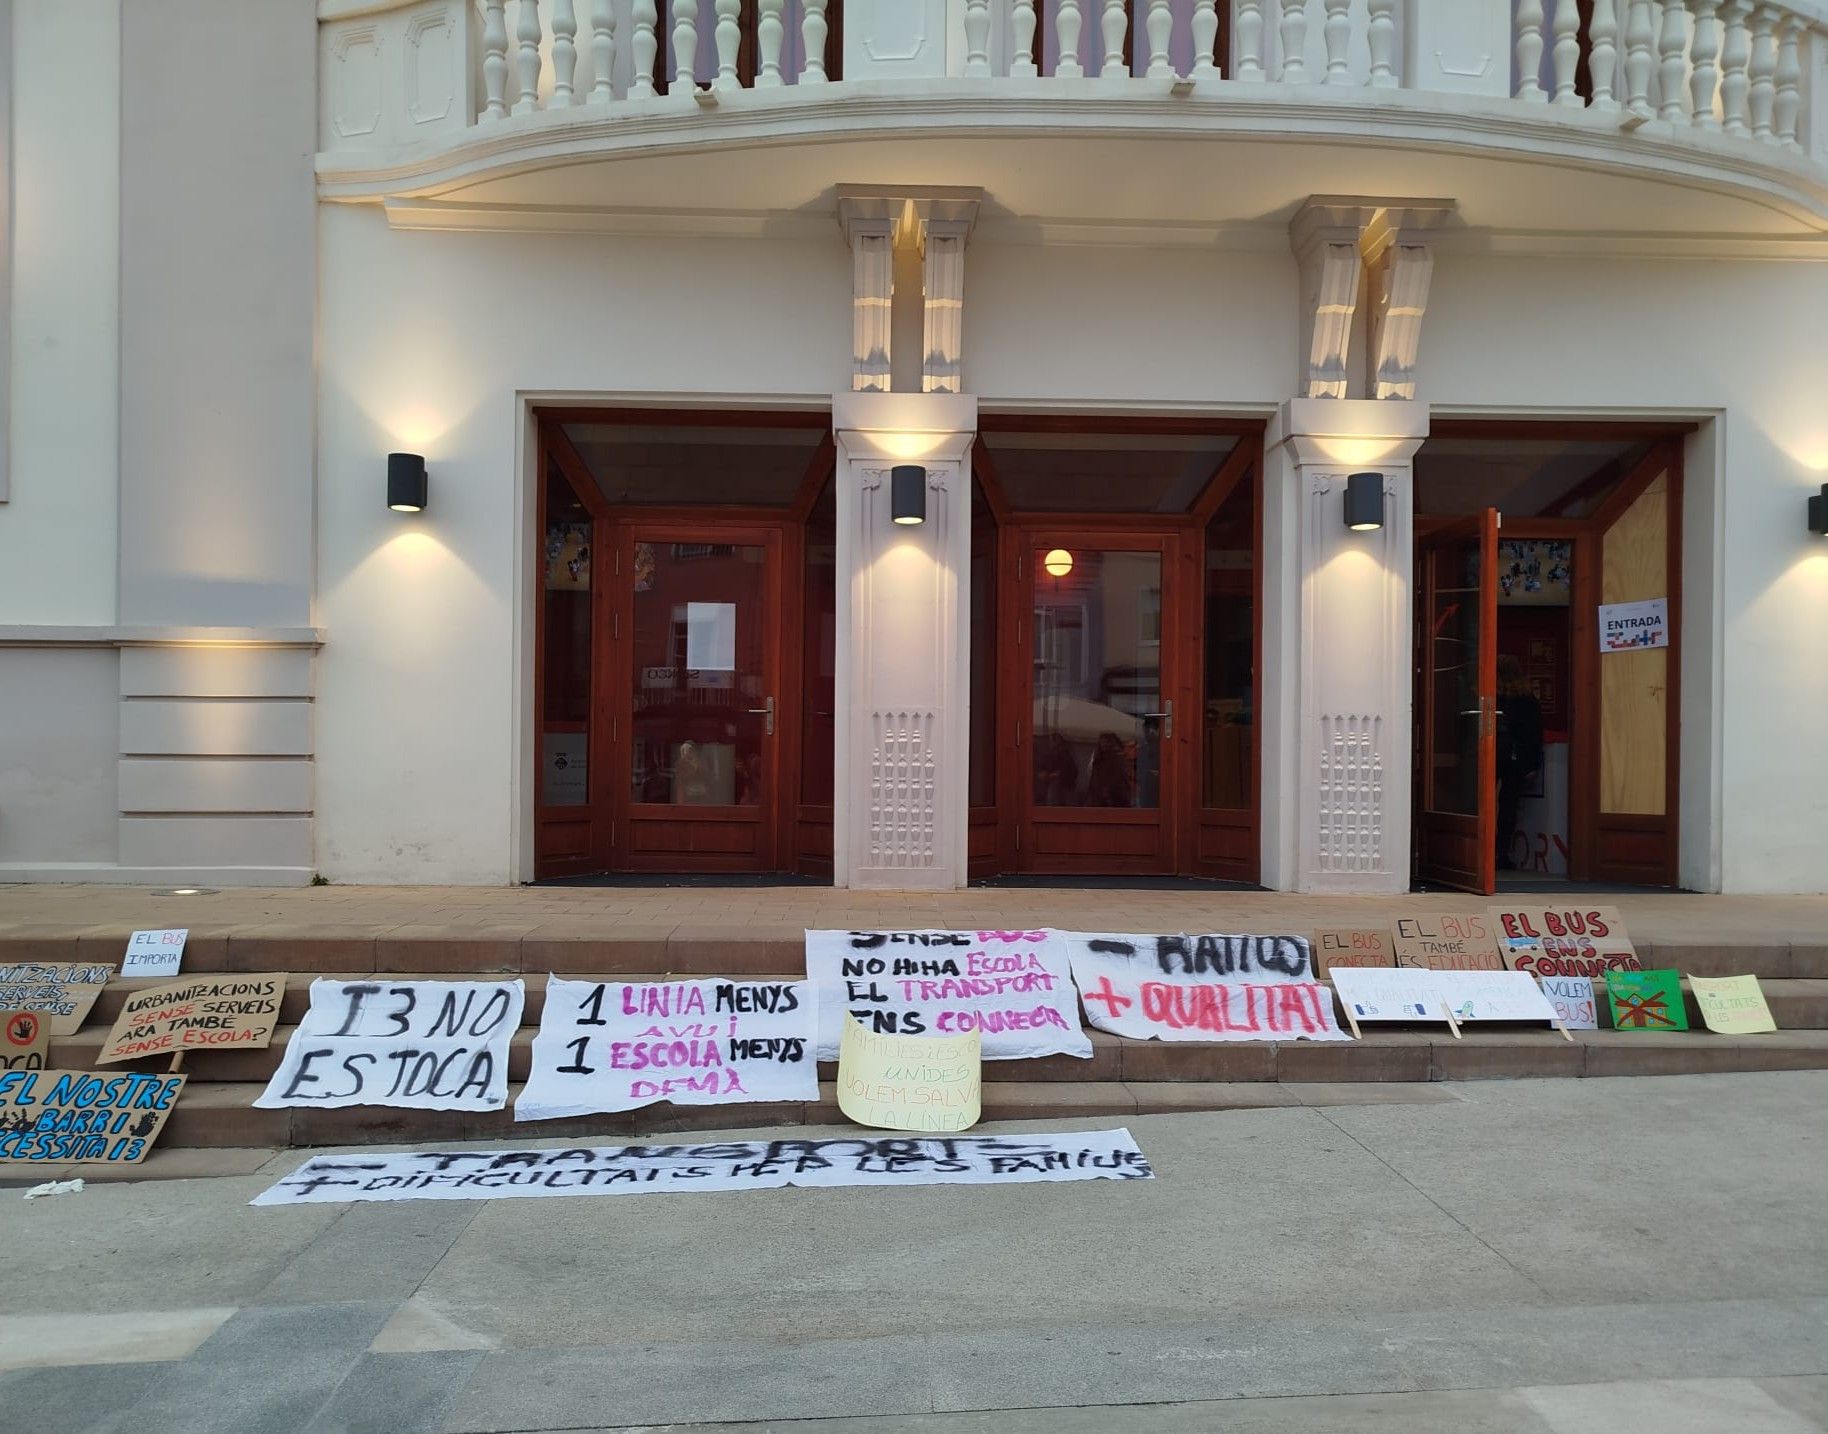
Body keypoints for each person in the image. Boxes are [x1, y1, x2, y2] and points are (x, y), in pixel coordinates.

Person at [1495, 654, 1544, 871]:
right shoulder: (1526, 699)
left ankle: (1480, 854)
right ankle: (1501, 853)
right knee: (1508, 806)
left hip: (1490, 756)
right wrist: (1533, 764)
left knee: (1481, 805)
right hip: (1516, 760)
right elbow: (1534, 734)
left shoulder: (1490, 696)